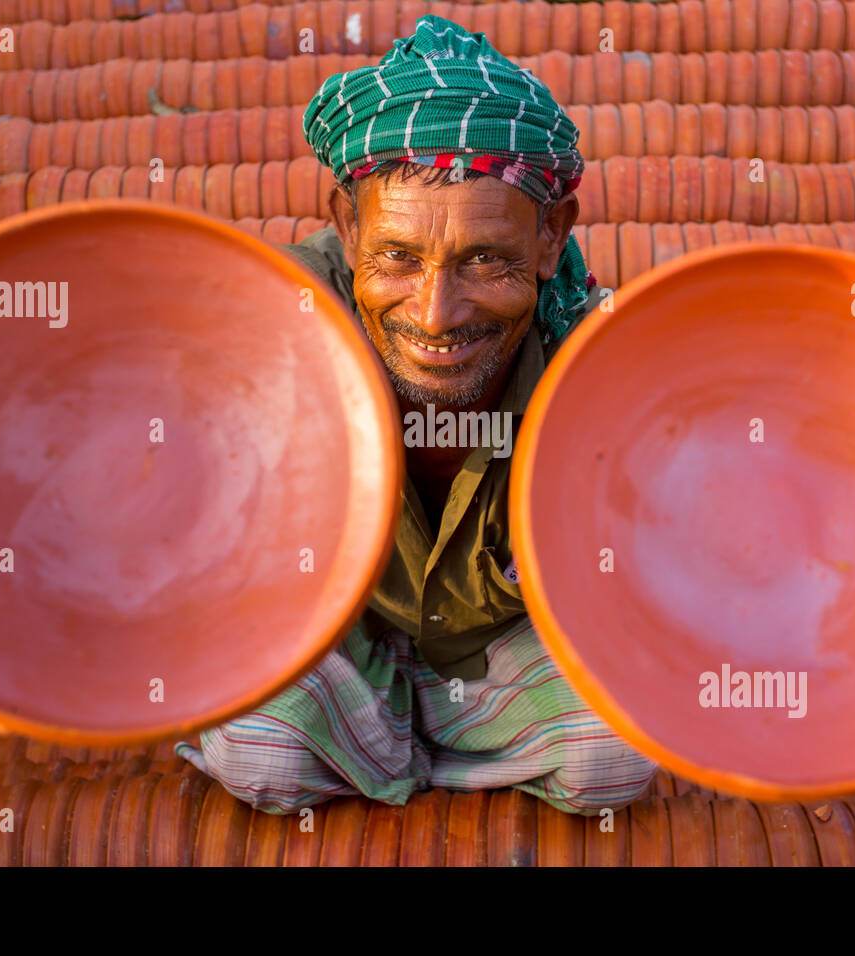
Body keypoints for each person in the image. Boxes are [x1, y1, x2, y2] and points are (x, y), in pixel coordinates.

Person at [176, 15, 659, 816]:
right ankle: (413, 742)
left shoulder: (599, 365)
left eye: (485, 262)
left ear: (551, 239)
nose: (436, 315)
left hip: (492, 648)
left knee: (613, 757)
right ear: (346, 225)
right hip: (328, 635)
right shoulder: (259, 329)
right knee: (259, 751)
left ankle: (401, 751)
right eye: (397, 257)